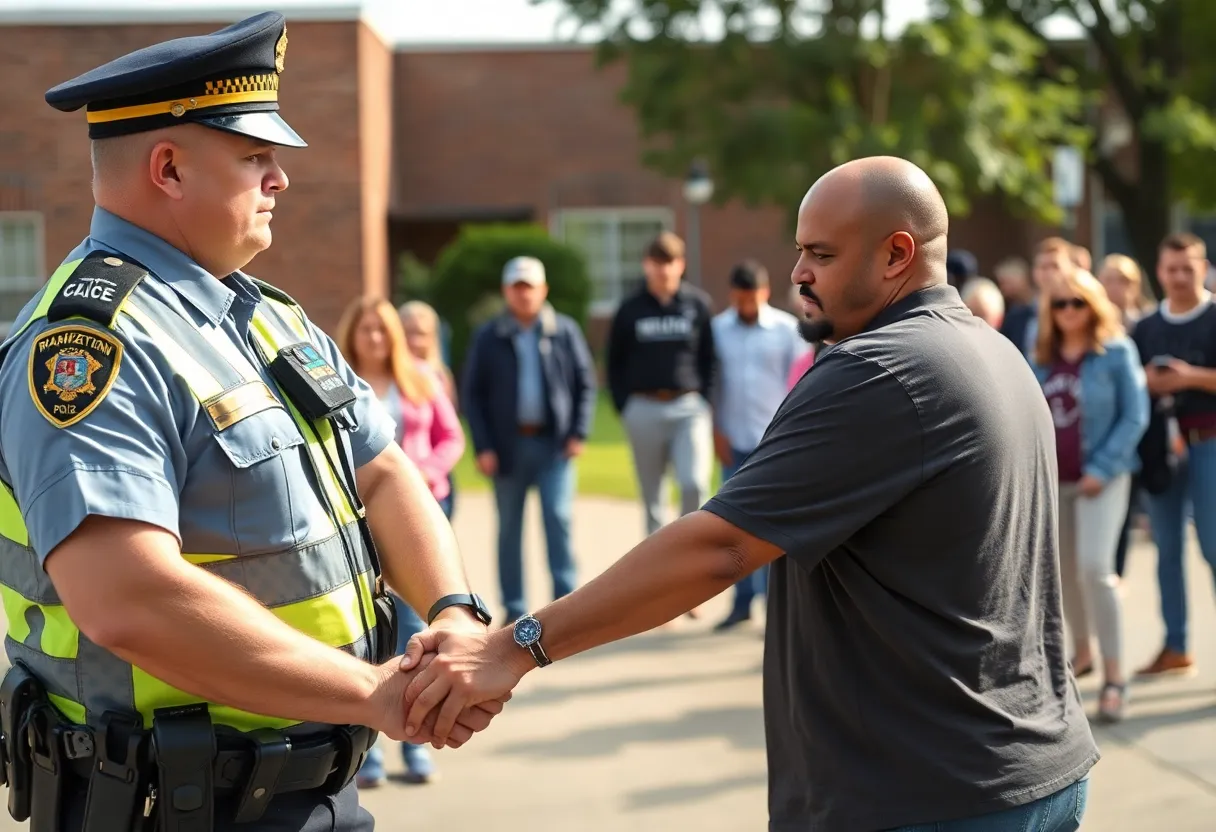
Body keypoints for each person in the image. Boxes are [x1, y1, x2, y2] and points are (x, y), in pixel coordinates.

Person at [400, 156, 1098, 832]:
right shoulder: (993, 350)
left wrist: (515, 646)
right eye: (800, 252)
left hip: (928, 793)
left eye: (821, 255)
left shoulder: (876, 370)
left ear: (895, 255)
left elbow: (722, 548)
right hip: (1031, 765)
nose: (796, 273)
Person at [0, 14, 504, 830]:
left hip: (315, 784)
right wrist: (381, 694)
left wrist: (451, 612)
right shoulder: (93, 346)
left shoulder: (267, 317)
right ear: (167, 167)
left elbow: (381, 469)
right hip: (169, 804)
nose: (281, 181)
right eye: (256, 158)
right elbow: (128, 597)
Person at [335, 297, 466, 786]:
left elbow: (452, 437)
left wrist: (420, 474)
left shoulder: (419, 379)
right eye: (365, 330)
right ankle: (367, 755)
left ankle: (416, 743)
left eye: (381, 330)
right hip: (358, 520)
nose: (373, 339)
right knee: (366, 630)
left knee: (414, 630)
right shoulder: (337, 379)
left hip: (413, 511)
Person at [1029, 270, 1148, 722]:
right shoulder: (1040, 356)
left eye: (1077, 302)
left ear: (1094, 304)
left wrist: (1103, 467)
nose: (1068, 312)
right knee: (1062, 575)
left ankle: (1116, 676)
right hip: (1054, 480)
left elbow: (1135, 416)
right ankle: (1081, 656)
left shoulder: (1116, 351)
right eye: (1059, 304)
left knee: (1096, 569)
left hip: (1103, 477)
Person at [461, 256, 597, 624]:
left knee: (558, 517)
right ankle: (515, 607)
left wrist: (578, 433)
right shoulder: (489, 336)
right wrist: (484, 446)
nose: (524, 294)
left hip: (554, 447)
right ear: (507, 291)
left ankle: (565, 605)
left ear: (543, 290)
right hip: (506, 449)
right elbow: (473, 395)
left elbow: (586, 384)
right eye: (517, 287)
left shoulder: (564, 331)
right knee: (509, 529)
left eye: (530, 287)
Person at [1131, 232, 1216, 679]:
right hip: (1161, 449)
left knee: (1214, 547)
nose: (1180, 277)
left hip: (1210, 442)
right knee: (1165, 549)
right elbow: (1128, 387)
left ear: (1203, 267)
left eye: (1189, 267)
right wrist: (1145, 380)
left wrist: (1190, 378)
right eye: (1171, 268)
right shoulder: (1145, 327)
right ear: (1159, 270)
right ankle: (1176, 646)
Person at [710, 260, 808, 630]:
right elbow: (714, 383)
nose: (745, 305)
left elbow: (797, 383)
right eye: (739, 298)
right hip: (733, 436)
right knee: (731, 526)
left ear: (764, 292)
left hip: (773, 439)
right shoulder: (717, 329)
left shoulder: (787, 329)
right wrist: (716, 429)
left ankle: (773, 604)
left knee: (770, 528)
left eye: (751, 298)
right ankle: (741, 601)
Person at [607, 231, 717, 538]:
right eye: (657, 263)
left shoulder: (697, 304)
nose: (663, 270)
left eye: (669, 262)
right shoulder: (630, 309)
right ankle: (657, 573)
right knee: (653, 499)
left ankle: (690, 552)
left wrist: (704, 400)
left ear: (680, 265)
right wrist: (624, 405)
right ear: (646, 265)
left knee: (693, 483)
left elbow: (710, 357)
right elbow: (614, 360)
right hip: (643, 408)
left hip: (688, 407)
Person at [1097, 254, 1154, 579]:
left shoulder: (1144, 323)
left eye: (1123, 280)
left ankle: (1115, 581)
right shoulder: (1085, 318)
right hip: (1101, 428)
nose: (1115, 287)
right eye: (1108, 279)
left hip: (1139, 428)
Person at [400, 300, 460, 517]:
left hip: (432, 476)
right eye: (408, 332)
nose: (415, 340)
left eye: (421, 333)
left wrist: (429, 470)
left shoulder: (438, 376)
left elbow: (449, 432)